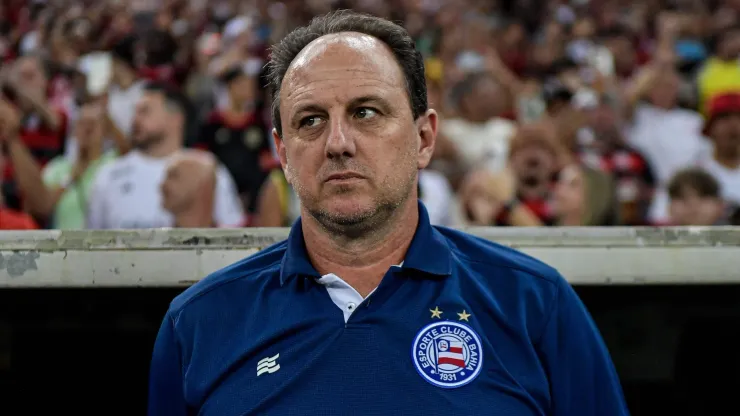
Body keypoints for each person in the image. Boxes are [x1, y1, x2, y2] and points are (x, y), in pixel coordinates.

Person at [148, 11, 629, 416]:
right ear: (283, 153)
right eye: (310, 121)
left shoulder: (534, 305)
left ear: (424, 139)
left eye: (366, 113)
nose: (338, 143)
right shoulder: (198, 323)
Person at [86, 82, 244, 229]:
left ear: (176, 118)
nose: (135, 120)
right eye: (135, 112)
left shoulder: (206, 169)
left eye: (145, 111)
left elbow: (232, 229)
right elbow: (92, 240)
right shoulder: (109, 174)